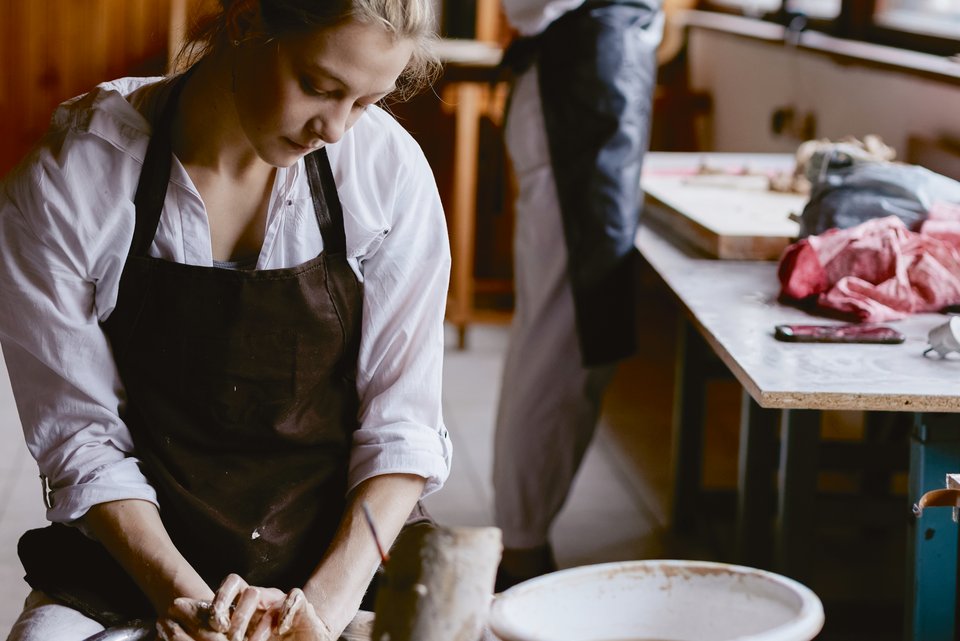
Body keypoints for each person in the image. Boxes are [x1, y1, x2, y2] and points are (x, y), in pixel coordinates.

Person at [0, 1, 452, 639]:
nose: (335, 128)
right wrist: (190, 604)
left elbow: (402, 427)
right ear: (245, 24)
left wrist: (319, 611)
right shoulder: (76, 177)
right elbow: (81, 439)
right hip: (140, 554)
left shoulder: (387, 171)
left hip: (340, 553)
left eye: (366, 102)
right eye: (321, 88)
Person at [493, 0, 664, 588]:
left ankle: (521, 539)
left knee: (578, 331)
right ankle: (519, 551)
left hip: (599, 76)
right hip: (581, 86)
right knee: (559, 337)